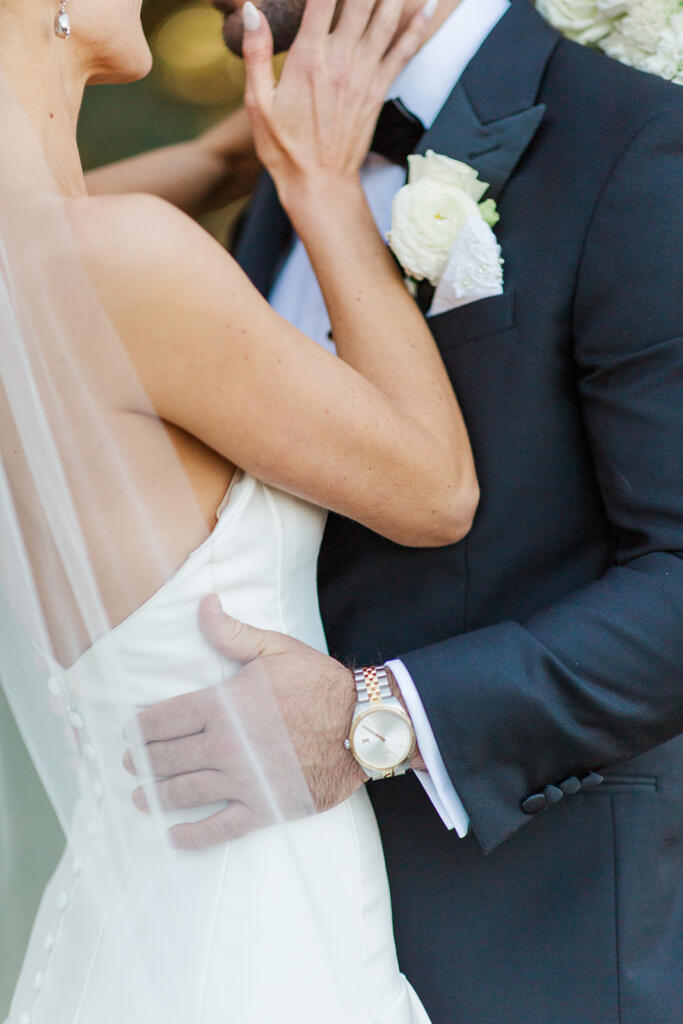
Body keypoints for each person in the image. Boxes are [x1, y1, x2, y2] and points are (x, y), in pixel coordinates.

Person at [123, 1, 683, 1022]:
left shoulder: (637, 141)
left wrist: (373, 717)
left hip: (521, 946)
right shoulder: (285, 164)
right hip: (263, 934)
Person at [0, 0, 482, 1020]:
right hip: (250, 930)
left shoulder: (34, 263)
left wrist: (235, 151)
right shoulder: (121, 259)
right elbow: (435, 493)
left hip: (128, 915)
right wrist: (320, 187)